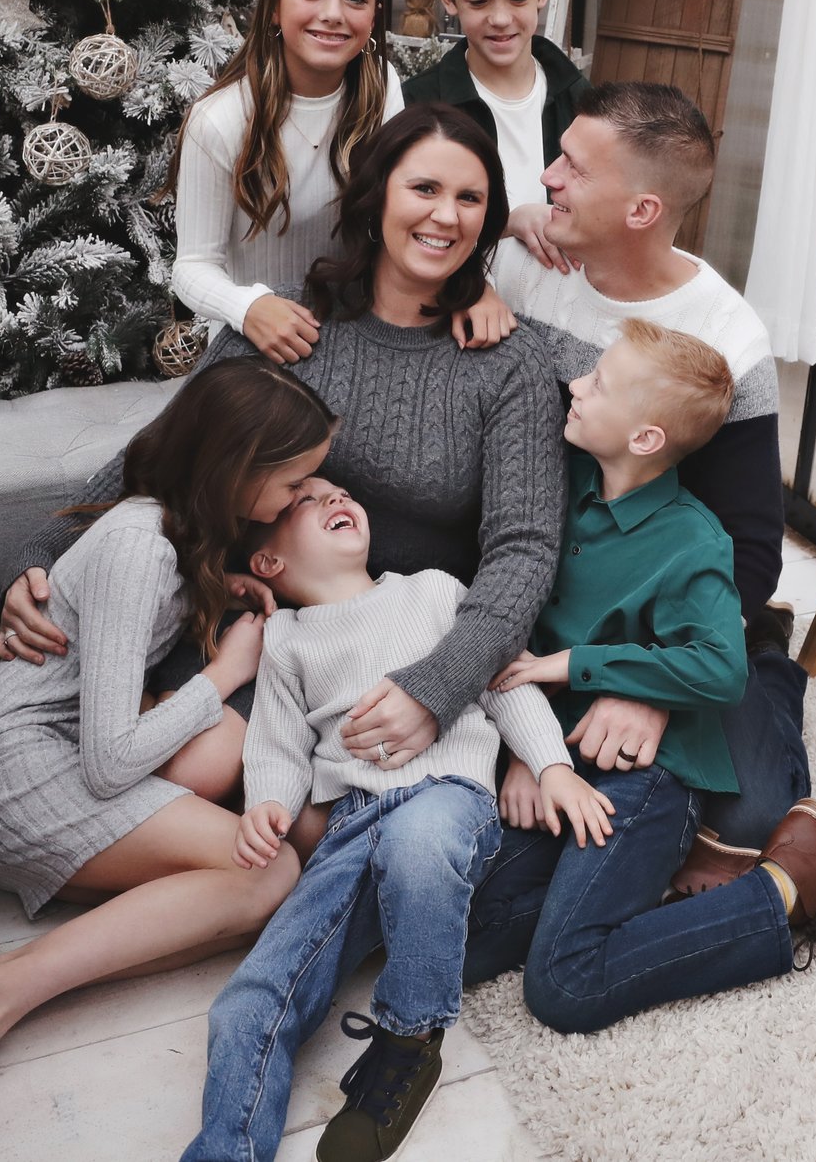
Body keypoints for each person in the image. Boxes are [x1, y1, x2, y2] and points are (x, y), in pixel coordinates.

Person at [0, 104, 565, 807]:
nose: (445, 216)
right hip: (255, 620)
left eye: (469, 198)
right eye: (424, 188)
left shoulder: (505, 361)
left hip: (400, 641)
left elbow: (524, 548)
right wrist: (40, 557)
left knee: (262, 807)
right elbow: (166, 456)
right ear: (377, 195)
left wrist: (441, 684)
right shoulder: (290, 323)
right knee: (190, 771)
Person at [0, 359, 335, 1162]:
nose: (298, 499)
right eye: (292, 482)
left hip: (45, 760)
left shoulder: (172, 533)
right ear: (238, 469)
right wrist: (225, 674)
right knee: (268, 872)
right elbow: (109, 763)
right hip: (21, 773)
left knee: (257, 894)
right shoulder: (141, 546)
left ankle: (10, 978)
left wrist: (220, 585)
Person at [464, 322, 816, 1038]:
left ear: (644, 438)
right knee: (460, 934)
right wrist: (528, 753)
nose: (575, 385)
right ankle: (644, 892)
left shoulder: (693, 540)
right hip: (563, 757)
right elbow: (519, 611)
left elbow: (720, 667)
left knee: (565, 984)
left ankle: (789, 888)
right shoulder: (559, 483)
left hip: (647, 775)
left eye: (597, 382)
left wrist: (576, 664)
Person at [182, 480, 609, 1162]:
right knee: (246, 1003)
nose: (334, 498)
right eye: (307, 500)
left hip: (446, 797)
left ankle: (410, 1036)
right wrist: (268, 803)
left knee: (417, 842)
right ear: (267, 562)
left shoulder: (433, 590)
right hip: (350, 826)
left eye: (337, 491)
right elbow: (277, 745)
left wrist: (552, 765)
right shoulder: (286, 638)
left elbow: (501, 682)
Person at [489, 81, 807, 875]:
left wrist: (653, 687)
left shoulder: (728, 336)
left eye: (574, 167)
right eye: (557, 157)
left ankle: (769, 664)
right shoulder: (523, 270)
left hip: (666, 607)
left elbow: (753, 546)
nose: (549, 177)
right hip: (549, 585)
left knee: (750, 820)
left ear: (642, 209)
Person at [169, 0, 406, 360]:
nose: (332, 13)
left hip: (359, 338)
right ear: (274, 6)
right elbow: (192, 268)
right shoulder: (220, 120)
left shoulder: (383, 89)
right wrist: (248, 307)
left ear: (374, 15)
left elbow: (407, 217)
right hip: (255, 349)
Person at [401, 0, 588, 273]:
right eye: (479, 1)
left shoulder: (580, 100)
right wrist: (509, 222)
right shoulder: (418, 104)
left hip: (557, 296)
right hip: (451, 296)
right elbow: (400, 220)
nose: (500, 19)